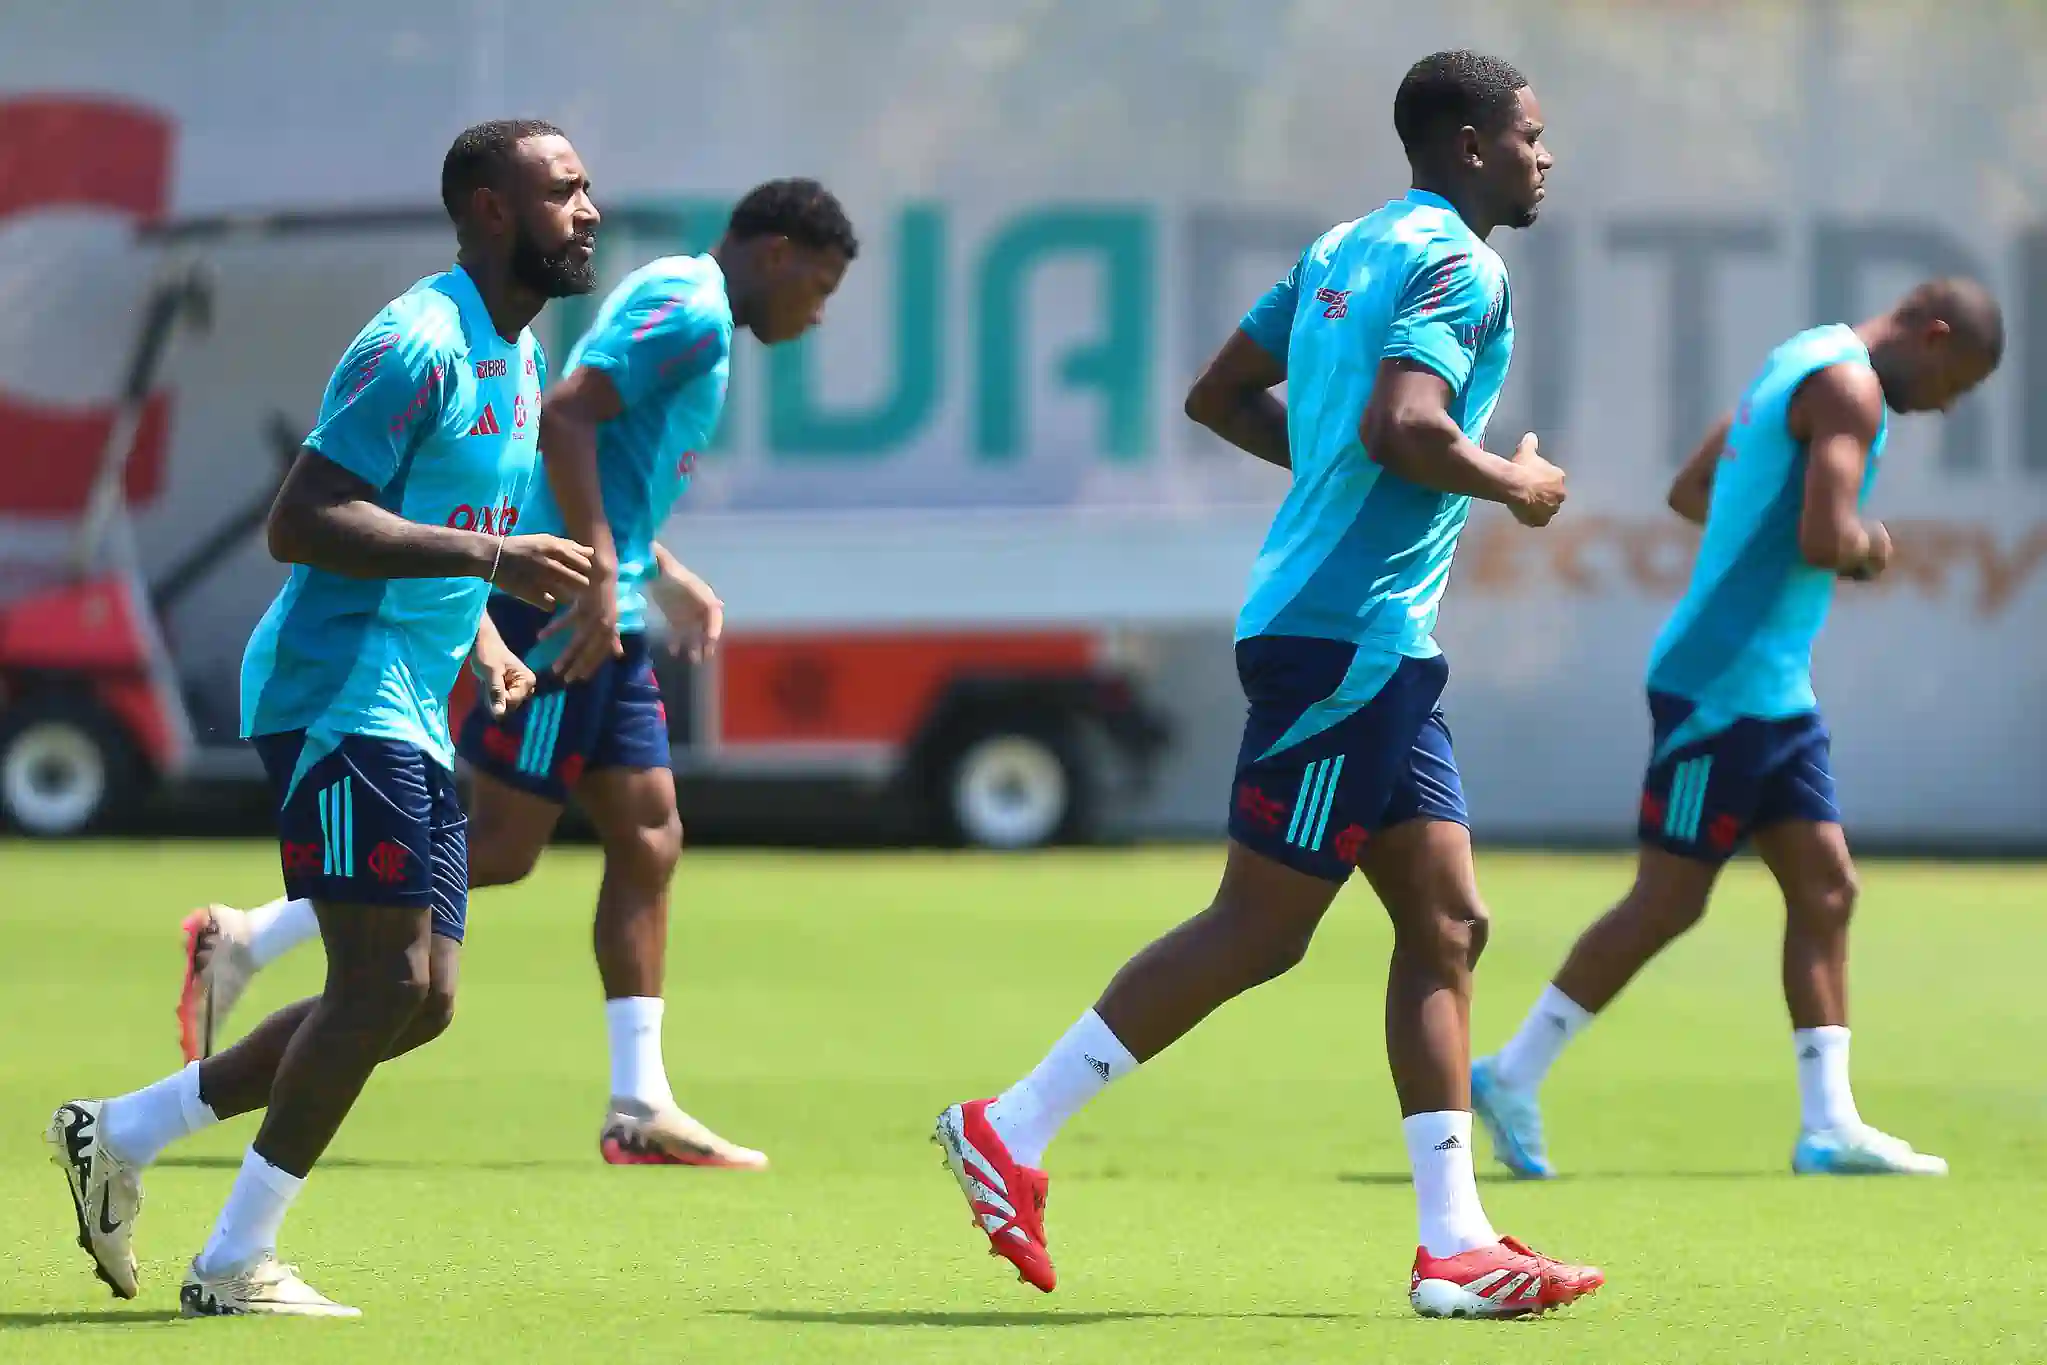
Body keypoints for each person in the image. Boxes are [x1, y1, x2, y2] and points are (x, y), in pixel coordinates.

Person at [930, 51, 1604, 1320]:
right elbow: (1404, 427)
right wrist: (1515, 485)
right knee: (1262, 928)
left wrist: (1338, 480)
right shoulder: (1461, 264)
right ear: (1467, 144)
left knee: (1448, 924)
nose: (1543, 155)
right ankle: (1007, 1128)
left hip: (1366, 639)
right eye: (1528, 133)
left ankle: (1453, 1247)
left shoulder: (1345, 245)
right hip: (1343, 639)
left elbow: (1218, 394)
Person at [173, 180, 859, 1170]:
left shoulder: (683, 304)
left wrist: (654, 571)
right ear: (779, 252)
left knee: (649, 833)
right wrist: (587, 577)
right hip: (560, 615)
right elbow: (571, 418)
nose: (819, 310)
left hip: (603, 605)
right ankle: (242, 949)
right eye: (822, 284)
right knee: (492, 849)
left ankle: (640, 1102)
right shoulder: (694, 308)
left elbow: (583, 455)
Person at [47, 118, 600, 1318]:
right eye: (564, 191)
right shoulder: (417, 343)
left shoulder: (515, 348)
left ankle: (124, 1130)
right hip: (331, 694)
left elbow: (440, 536)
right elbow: (301, 522)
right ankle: (233, 1263)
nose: (588, 210)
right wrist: (494, 559)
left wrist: (486, 640)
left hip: (403, 702)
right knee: (378, 982)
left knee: (423, 997)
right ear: (491, 210)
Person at [1472, 278, 2005, 1182]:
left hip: (1767, 686)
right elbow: (1824, 537)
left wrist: (1761, 539)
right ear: (1933, 333)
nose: (1948, 403)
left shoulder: (1801, 356)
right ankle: (1510, 1072)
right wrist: (1872, 545)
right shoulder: (1852, 388)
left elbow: (1690, 489)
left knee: (1825, 888)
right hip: (1719, 685)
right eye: (1957, 380)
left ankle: (1827, 1123)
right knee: (1666, 901)